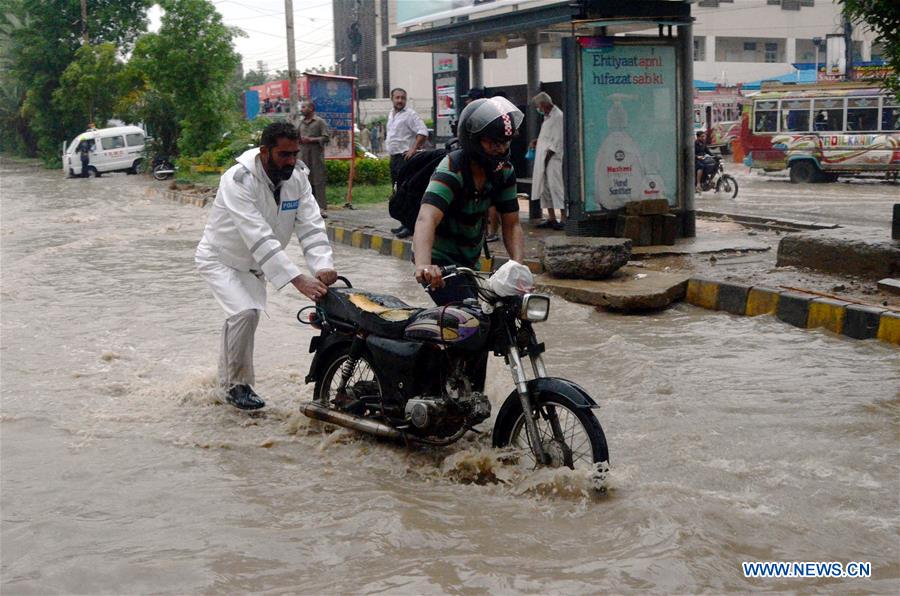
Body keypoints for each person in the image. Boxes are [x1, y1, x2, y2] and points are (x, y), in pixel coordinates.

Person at [195, 121, 337, 411]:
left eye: (294, 153)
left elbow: (310, 227)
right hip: (221, 259)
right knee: (245, 313)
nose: (291, 161)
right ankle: (237, 386)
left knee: (242, 316)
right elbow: (257, 235)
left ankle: (223, 382)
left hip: (254, 267)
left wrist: (323, 264)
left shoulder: (297, 179)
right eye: (284, 154)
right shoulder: (238, 180)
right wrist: (298, 279)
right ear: (264, 151)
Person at [413, 97, 526, 391]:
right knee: (470, 320)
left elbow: (511, 223)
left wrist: (518, 267)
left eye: (505, 142)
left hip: (471, 265)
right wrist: (424, 266)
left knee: (493, 321)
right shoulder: (452, 169)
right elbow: (426, 219)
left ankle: (466, 394)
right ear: (474, 140)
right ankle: (437, 389)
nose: (500, 148)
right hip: (441, 266)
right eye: (493, 143)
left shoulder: (503, 171)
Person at [386, 87, 428, 238]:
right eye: (397, 98)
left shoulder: (410, 115)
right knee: (397, 192)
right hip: (394, 158)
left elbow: (423, 132)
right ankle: (403, 222)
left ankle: (410, 226)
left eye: (403, 98)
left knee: (407, 192)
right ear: (392, 99)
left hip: (405, 159)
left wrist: (413, 149)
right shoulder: (391, 114)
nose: (400, 101)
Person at [530, 91, 565, 230]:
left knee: (556, 186)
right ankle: (551, 217)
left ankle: (563, 217)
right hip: (543, 157)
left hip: (553, 158)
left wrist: (547, 158)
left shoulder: (558, 116)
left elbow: (558, 140)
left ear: (544, 104)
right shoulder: (547, 117)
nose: (538, 109)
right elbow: (548, 137)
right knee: (545, 188)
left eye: (538, 106)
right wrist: (538, 142)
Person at [298, 99, 331, 217]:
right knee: (305, 182)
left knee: (318, 181)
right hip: (303, 157)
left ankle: (322, 208)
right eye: (301, 107)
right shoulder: (300, 123)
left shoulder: (319, 122)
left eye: (304, 107)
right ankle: (307, 209)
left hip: (316, 156)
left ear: (311, 108)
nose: (302, 109)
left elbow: (326, 137)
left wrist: (311, 140)